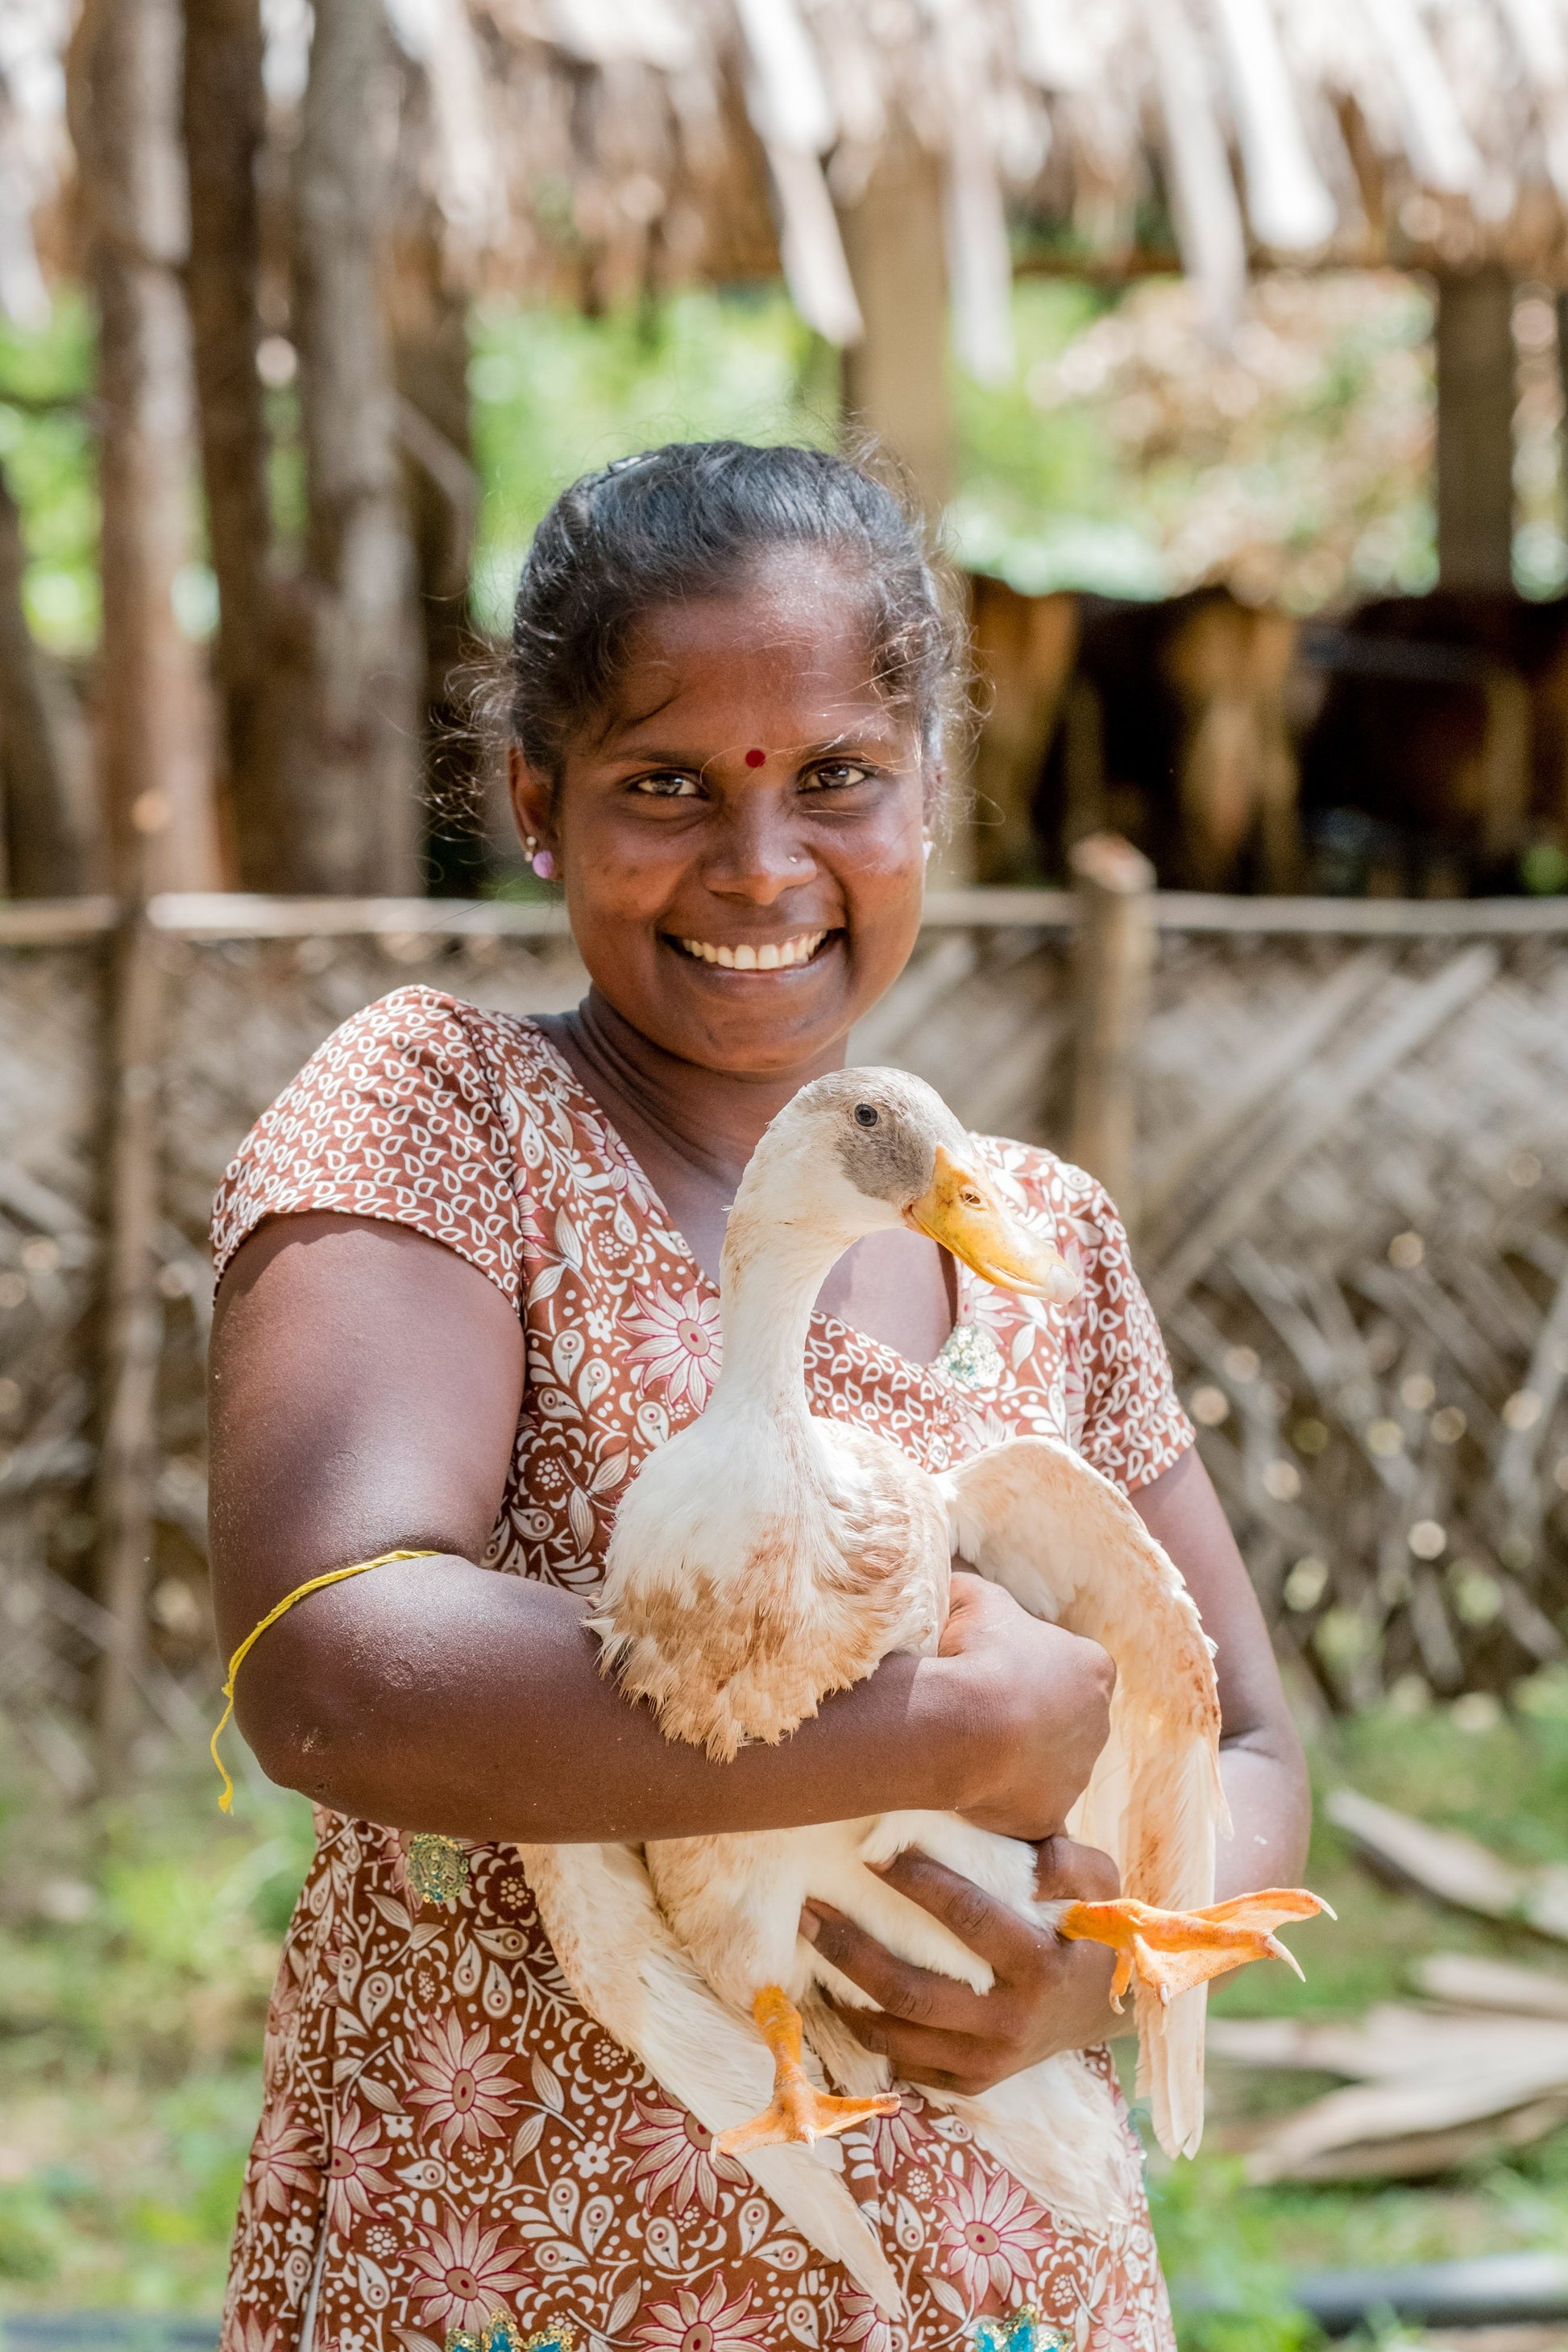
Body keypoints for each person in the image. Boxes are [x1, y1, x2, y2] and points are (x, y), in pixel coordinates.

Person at [209, 442, 1309, 2352]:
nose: (758, 862)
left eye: (836, 776)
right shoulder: (447, 1119)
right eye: (666, 784)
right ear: (537, 802)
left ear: (929, 790)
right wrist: (935, 1727)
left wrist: (1102, 1971)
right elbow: (335, 1655)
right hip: (528, 2268)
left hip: (1004, 2287)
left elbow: (1247, 1744)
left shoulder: (1036, 1233)